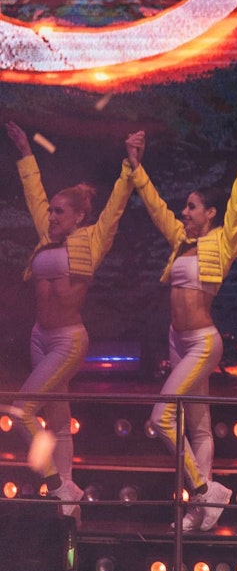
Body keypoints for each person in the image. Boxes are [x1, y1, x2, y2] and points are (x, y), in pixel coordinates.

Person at [126, 126, 237, 531]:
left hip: (204, 342)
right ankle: (200, 509)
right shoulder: (180, 243)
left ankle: (204, 491)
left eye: (191, 208)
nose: (183, 213)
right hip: (178, 340)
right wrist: (136, 169)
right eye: (184, 208)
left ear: (210, 214)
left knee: (162, 418)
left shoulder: (224, 241)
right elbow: (155, 208)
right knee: (198, 427)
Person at [6, 120, 136, 524]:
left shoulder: (92, 239)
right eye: (51, 212)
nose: (51, 216)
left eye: (59, 212)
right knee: (59, 425)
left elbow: (116, 204)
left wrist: (131, 166)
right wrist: (26, 153)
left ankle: (59, 487)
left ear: (79, 216)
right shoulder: (46, 239)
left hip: (67, 340)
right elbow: (34, 196)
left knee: (22, 411)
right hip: (39, 338)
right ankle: (70, 512)